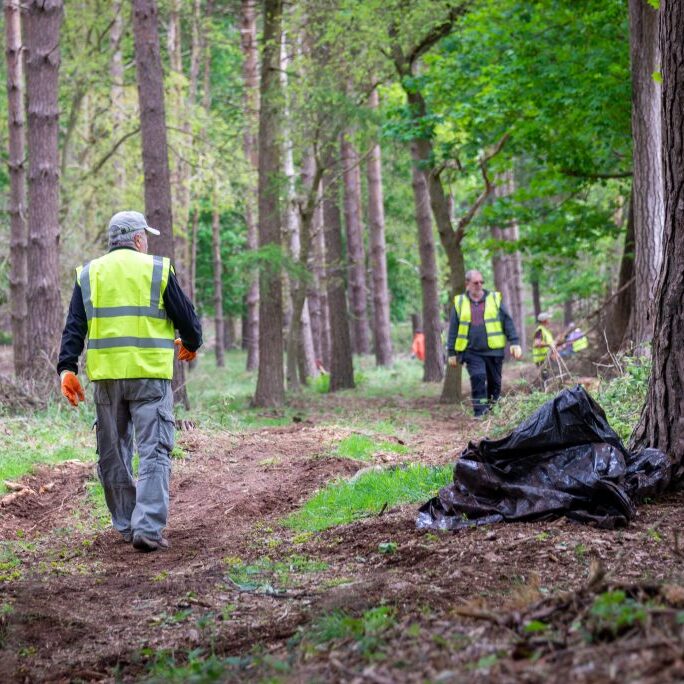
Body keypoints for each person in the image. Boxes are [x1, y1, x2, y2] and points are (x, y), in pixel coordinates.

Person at [57, 211, 202, 552]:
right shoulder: (157, 269)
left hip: (107, 381)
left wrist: (67, 369)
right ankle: (147, 528)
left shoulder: (89, 274)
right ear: (138, 239)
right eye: (146, 236)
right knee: (154, 451)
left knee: (112, 454)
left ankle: (125, 524)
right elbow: (187, 318)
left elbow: (74, 327)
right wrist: (191, 342)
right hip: (149, 377)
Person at [446, 270, 522, 418]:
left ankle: (493, 410)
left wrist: (514, 342)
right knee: (478, 377)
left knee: (495, 382)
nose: (479, 285)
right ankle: (480, 412)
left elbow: (507, 321)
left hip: (494, 351)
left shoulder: (494, 299)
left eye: (481, 282)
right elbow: (453, 328)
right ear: (467, 284)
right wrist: (451, 352)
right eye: (476, 283)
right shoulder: (460, 302)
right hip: (471, 351)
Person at [533, 312, 557, 381]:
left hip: (547, 359)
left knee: (549, 379)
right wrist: (549, 345)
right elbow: (537, 343)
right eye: (548, 319)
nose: (549, 320)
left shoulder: (545, 331)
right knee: (545, 380)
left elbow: (550, 344)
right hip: (542, 360)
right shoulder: (540, 331)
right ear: (544, 320)